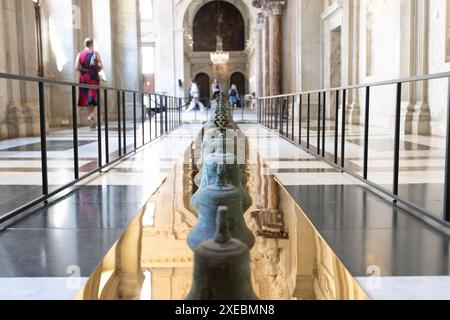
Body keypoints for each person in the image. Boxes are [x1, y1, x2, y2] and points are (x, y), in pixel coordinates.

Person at [75, 38, 104, 129]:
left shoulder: (80, 54)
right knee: (94, 98)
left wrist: (83, 71)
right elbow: (102, 66)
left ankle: (91, 118)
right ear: (92, 44)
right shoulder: (96, 53)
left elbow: (76, 67)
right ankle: (91, 116)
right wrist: (96, 69)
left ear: (85, 44)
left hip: (83, 78)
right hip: (93, 77)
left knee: (87, 99)